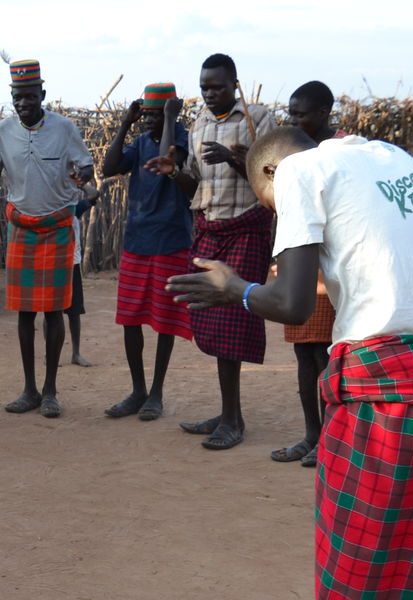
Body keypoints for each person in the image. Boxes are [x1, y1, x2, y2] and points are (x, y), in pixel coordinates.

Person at [170, 127, 413, 599]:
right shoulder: (390, 156)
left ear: (270, 173)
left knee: (356, 568)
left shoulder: (298, 171)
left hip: (387, 398)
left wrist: (234, 289)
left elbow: (292, 304)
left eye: (271, 206)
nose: (278, 215)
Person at [147, 53, 276, 450]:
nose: (209, 94)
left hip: (247, 228)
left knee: (234, 322)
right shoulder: (200, 123)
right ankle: (226, 412)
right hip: (209, 227)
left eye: (217, 86)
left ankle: (234, 421)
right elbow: (196, 185)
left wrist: (237, 159)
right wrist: (175, 174)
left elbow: (273, 178)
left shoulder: (258, 118)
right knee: (213, 322)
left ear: (234, 85)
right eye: (204, 87)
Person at [0, 59, 94, 419]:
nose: (23, 104)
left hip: (57, 227)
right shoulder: (2, 131)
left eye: (29, 97)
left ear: (42, 94)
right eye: (17, 97)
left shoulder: (64, 128)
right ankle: (29, 388)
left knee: (53, 311)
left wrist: (82, 173)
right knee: (25, 313)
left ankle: (51, 391)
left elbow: (85, 166)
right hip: (22, 228)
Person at [100, 82, 192, 422]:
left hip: (170, 240)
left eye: (157, 114)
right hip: (138, 240)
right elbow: (109, 168)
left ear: (171, 112)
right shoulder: (138, 142)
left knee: (164, 321)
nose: (150, 121)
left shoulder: (182, 138)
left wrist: (170, 118)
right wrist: (126, 123)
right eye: (148, 115)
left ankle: (156, 392)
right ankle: (138, 389)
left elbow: (167, 157)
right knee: (130, 318)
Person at [273, 80, 342, 467]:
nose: (293, 120)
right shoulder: (291, 151)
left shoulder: (340, 152)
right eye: (291, 113)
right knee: (303, 354)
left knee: (327, 357)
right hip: (300, 258)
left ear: (323, 114)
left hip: (331, 262)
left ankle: (331, 440)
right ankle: (311, 434)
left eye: (300, 114)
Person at [65, 176, 98, 368]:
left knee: (74, 312)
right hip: (55, 263)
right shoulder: (54, 210)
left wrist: (81, 184)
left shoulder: (74, 209)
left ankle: (76, 353)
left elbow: (95, 194)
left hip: (73, 264)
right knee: (50, 312)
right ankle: (49, 353)